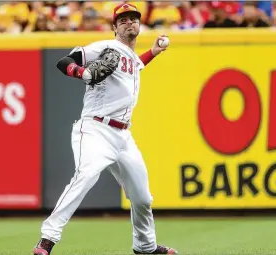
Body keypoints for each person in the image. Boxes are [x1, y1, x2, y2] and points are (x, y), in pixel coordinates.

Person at [33, 3, 178, 255]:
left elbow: (135, 66)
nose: (129, 22)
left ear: (139, 24)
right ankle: (47, 240)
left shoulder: (132, 58)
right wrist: (83, 74)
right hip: (95, 129)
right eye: (122, 20)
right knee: (86, 176)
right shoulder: (105, 47)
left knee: (142, 197)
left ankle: (145, 247)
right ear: (114, 27)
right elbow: (63, 62)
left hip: (123, 136)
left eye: (133, 18)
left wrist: (153, 52)